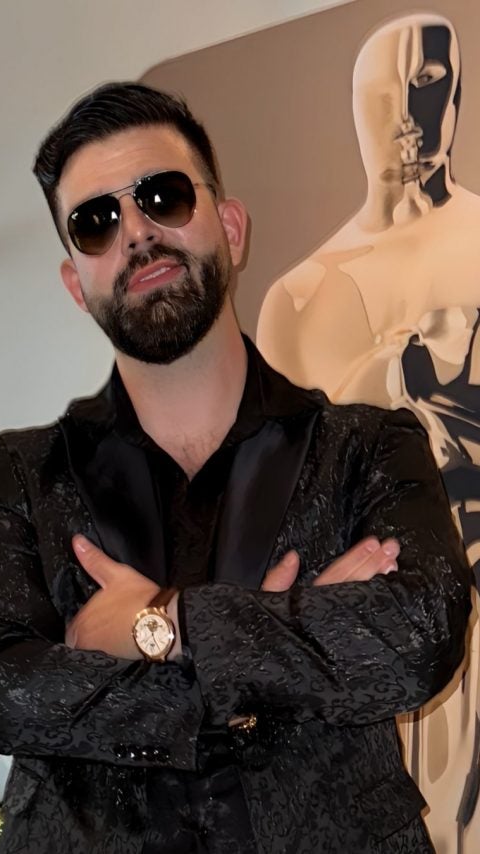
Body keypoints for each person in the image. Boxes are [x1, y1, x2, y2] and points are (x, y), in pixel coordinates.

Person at [0, 82, 471, 854]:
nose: (136, 232)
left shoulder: (370, 447)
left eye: (163, 196)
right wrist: (277, 647)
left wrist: (161, 624)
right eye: (95, 223)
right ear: (76, 284)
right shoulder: (17, 474)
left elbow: (418, 636)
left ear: (230, 226)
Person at [257, 13, 480, 850]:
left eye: (430, 85)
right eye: (388, 90)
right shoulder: (301, 297)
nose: (408, 115)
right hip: (374, 631)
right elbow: (285, 511)